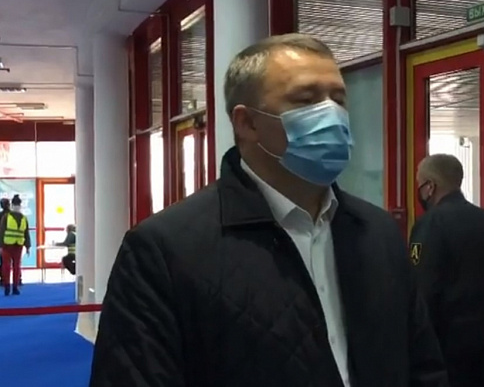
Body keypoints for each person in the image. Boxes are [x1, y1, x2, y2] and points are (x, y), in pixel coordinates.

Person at [90, 33, 448, 386]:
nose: (332, 115)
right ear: (246, 122)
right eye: (306, 99)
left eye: (338, 99)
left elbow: (423, 366)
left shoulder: (378, 232)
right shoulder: (164, 251)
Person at [409, 154, 484, 387]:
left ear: (430, 187)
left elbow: (422, 289)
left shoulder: (429, 224)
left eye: (420, 184)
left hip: (445, 341)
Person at [0, 194, 31, 296]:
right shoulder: (18, 218)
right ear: (13, 205)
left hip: (14, 246)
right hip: (9, 245)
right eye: (16, 205)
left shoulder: (20, 218)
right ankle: (9, 287)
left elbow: (26, 233)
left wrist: (27, 246)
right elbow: (1, 231)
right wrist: (27, 246)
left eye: (18, 205)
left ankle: (12, 287)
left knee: (13, 266)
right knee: (10, 266)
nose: (17, 206)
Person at [0, 198, 9, 286]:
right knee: (15, 261)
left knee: (3, 261)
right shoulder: (13, 215)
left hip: (2, 241)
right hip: (13, 241)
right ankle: (18, 279)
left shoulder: (1, 215)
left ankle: (3, 279)